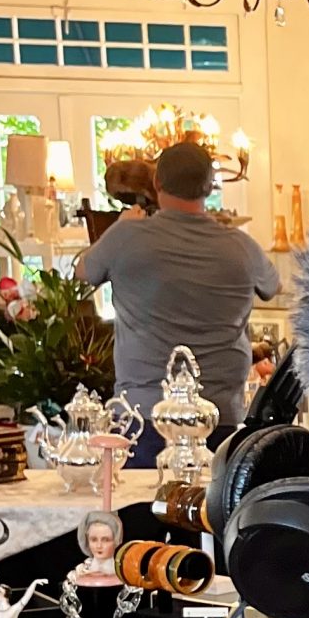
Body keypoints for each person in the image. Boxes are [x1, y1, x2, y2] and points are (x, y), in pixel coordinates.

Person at [76, 141, 279, 438]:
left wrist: (117, 226)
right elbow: (272, 286)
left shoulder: (124, 236)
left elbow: (83, 271)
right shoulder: (242, 247)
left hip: (142, 416)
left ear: (157, 183)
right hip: (219, 418)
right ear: (210, 187)